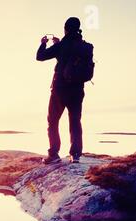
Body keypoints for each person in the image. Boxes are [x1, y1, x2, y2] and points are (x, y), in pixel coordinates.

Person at [37, 17, 88, 164]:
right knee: (75, 121)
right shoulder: (84, 46)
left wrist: (43, 44)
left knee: (52, 121)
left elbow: (40, 57)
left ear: (65, 28)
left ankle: (53, 154)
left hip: (59, 90)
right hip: (77, 90)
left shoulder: (62, 46)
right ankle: (76, 154)